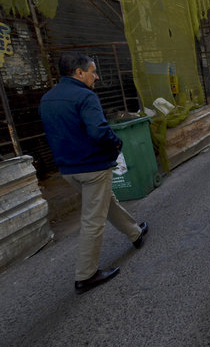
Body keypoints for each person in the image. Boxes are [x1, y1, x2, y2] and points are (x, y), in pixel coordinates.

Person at [38, 52, 148, 294]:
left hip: (69, 169)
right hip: (93, 167)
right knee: (93, 220)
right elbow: (99, 131)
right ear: (79, 72)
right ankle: (86, 275)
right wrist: (116, 143)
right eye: (92, 71)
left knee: (106, 202)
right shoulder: (85, 96)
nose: (96, 76)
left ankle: (135, 232)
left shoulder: (48, 99)